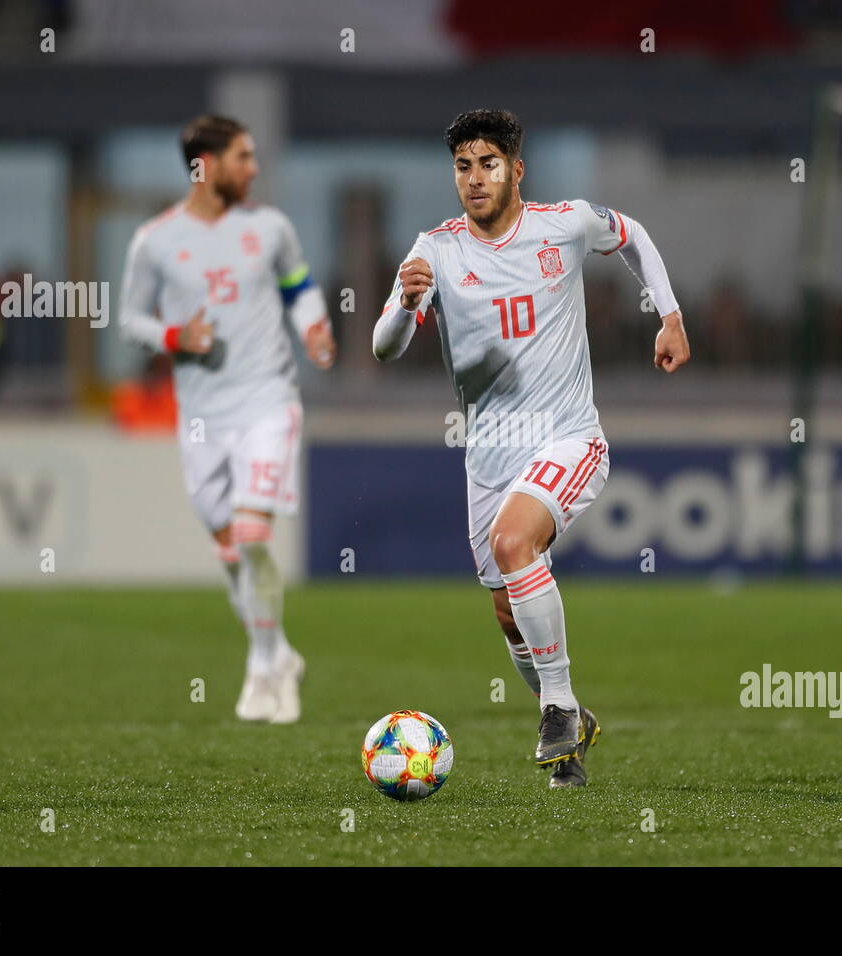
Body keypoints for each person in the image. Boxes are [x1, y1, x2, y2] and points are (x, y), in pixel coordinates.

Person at [372, 109, 690, 787]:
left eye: (488, 164)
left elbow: (633, 236)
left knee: (518, 544)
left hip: (569, 436)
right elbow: (383, 346)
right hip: (488, 453)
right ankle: (573, 724)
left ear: (517, 169)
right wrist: (404, 304)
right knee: (506, 609)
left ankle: (555, 707)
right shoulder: (434, 250)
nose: (475, 178)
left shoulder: (565, 224)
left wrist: (669, 315)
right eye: (462, 166)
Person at [120, 115, 337, 723]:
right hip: (202, 417)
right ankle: (275, 652)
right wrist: (174, 335)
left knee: (251, 535)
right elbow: (128, 321)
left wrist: (314, 324)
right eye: (243, 157)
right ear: (205, 165)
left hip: (268, 400)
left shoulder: (269, 227)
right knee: (231, 550)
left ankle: (264, 669)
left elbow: (300, 286)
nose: (254, 168)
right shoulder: (156, 241)